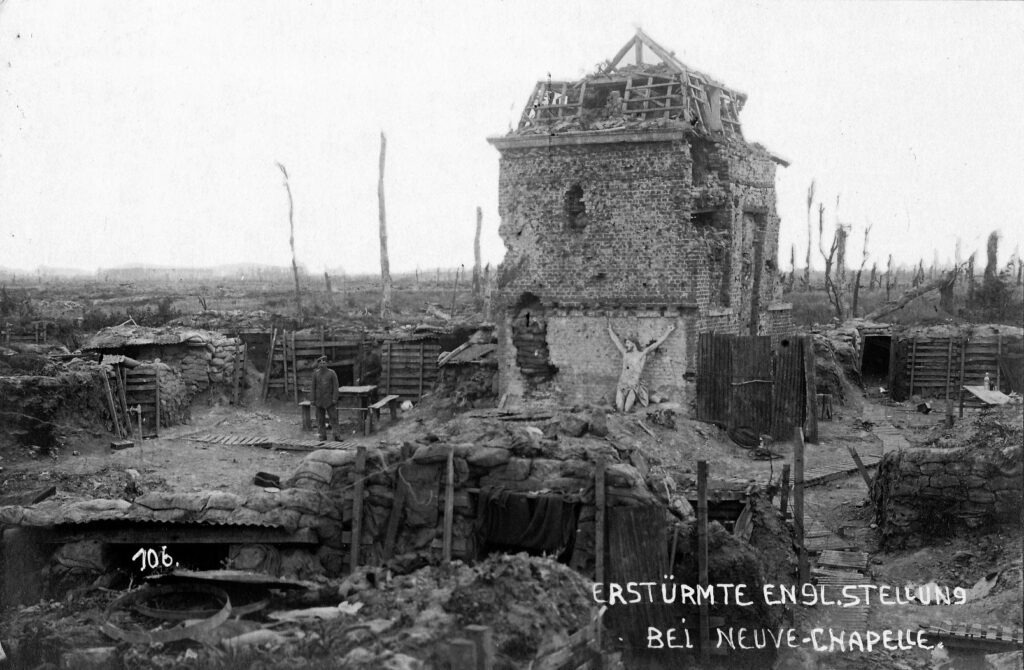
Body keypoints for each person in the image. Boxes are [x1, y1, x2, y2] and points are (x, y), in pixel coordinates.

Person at [607, 321, 676, 413]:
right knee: (619, 408)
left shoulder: (641, 354)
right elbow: (616, 341)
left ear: (633, 343)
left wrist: (668, 331)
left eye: (628, 343)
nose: (626, 345)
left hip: (633, 387)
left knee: (627, 410)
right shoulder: (625, 353)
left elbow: (656, 344)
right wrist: (610, 330)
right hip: (622, 385)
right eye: (626, 343)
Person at [311, 356, 340, 441]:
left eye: (324, 363)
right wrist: (312, 399)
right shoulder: (315, 374)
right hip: (319, 401)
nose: (322, 365)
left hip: (329, 400)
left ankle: (336, 435)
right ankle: (322, 436)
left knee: (334, 418)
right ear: (318, 364)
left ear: (326, 363)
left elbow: (336, 386)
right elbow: (313, 387)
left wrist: (335, 398)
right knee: (320, 420)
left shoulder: (332, 373)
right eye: (320, 363)